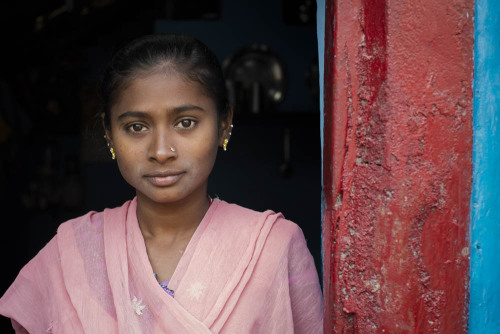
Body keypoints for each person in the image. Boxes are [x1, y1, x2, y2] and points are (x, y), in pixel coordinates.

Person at [0, 34, 323, 333]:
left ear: (224, 124)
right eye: (137, 127)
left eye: (186, 123)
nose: (161, 151)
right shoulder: (71, 253)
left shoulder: (273, 248)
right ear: (109, 133)